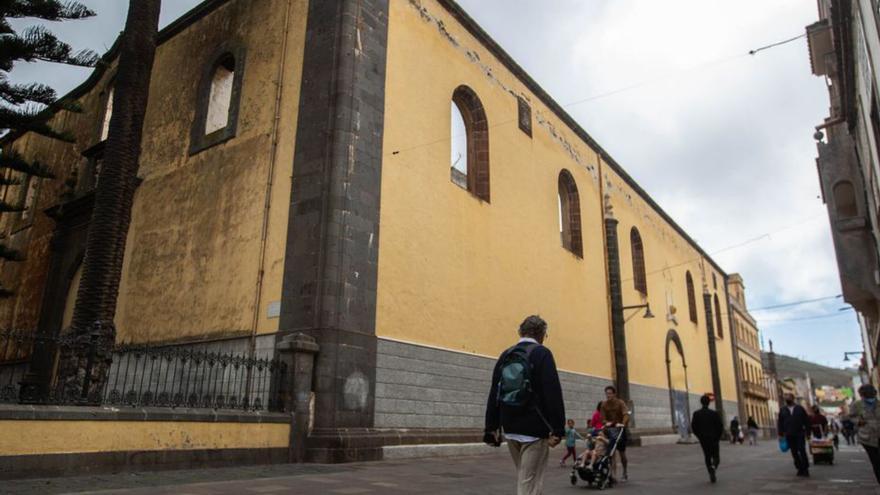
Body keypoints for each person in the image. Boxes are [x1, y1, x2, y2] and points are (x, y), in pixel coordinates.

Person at [484, 315, 565, 495]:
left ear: (521, 331)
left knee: (527, 477)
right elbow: (552, 392)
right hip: (535, 429)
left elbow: (494, 392)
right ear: (542, 334)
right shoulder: (542, 353)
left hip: (510, 426)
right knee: (529, 482)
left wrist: (491, 427)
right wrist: (558, 429)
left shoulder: (507, 354)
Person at [691, 394, 724, 483]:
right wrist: (718, 437)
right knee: (716, 456)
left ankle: (710, 470)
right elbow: (720, 426)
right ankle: (714, 467)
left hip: (704, 439)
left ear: (701, 402)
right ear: (709, 403)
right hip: (714, 439)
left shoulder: (696, 414)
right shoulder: (714, 414)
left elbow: (694, 427)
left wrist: (700, 436)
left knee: (707, 456)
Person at [600, 385, 631, 481]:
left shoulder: (620, 403)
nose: (608, 395)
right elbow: (603, 418)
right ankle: (613, 474)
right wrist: (606, 423)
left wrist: (623, 423)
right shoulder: (604, 405)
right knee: (611, 453)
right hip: (610, 430)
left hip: (620, 429)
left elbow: (625, 414)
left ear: (614, 394)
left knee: (622, 453)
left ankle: (625, 471)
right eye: (607, 393)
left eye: (610, 393)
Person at [851, 384, 880, 484]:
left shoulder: (879, 404)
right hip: (867, 438)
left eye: (871, 396)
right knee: (876, 462)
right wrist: (858, 422)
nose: (870, 398)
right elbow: (851, 417)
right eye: (867, 396)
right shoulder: (857, 405)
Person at [777, 393, 811, 477]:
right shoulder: (783, 409)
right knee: (794, 452)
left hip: (800, 433)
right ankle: (799, 468)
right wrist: (780, 433)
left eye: (788, 397)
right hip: (789, 434)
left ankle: (805, 468)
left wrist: (808, 433)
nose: (786, 399)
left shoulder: (800, 408)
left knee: (802, 450)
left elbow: (806, 421)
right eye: (785, 398)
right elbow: (780, 422)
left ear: (793, 398)